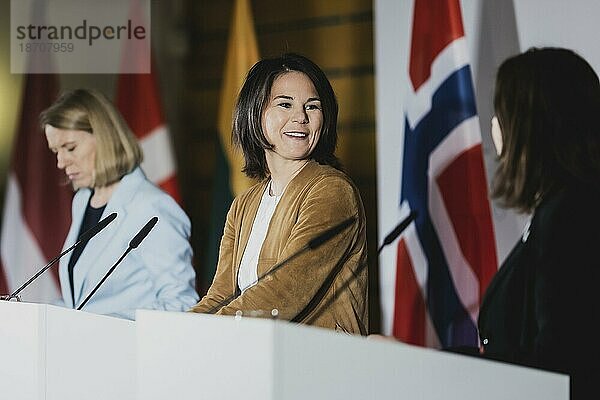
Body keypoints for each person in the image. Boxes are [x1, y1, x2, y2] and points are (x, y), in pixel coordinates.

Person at [189, 53, 368, 335]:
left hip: (319, 363)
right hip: (254, 354)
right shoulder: (243, 205)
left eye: (313, 106)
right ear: (254, 113)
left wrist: (201, 332)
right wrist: (175, 330)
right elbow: (220, 296)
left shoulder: (331, 191)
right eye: (285, 104)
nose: (301, 118)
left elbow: (285, 290)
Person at [478, 47, 600, 399]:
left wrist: (438, 362)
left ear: (530, 125)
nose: (493, 125)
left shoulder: (571, 215)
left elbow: (560, 363)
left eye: (501, 112)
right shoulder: (563, 207)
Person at [41, 89, 198, 320]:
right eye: (56, 151)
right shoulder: (83, 200)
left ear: (104, 138)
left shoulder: (152, 206)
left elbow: (181, 303)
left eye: (70, 148)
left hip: (130, 352)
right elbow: (83, 302)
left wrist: (106, 327)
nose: (61, 162)